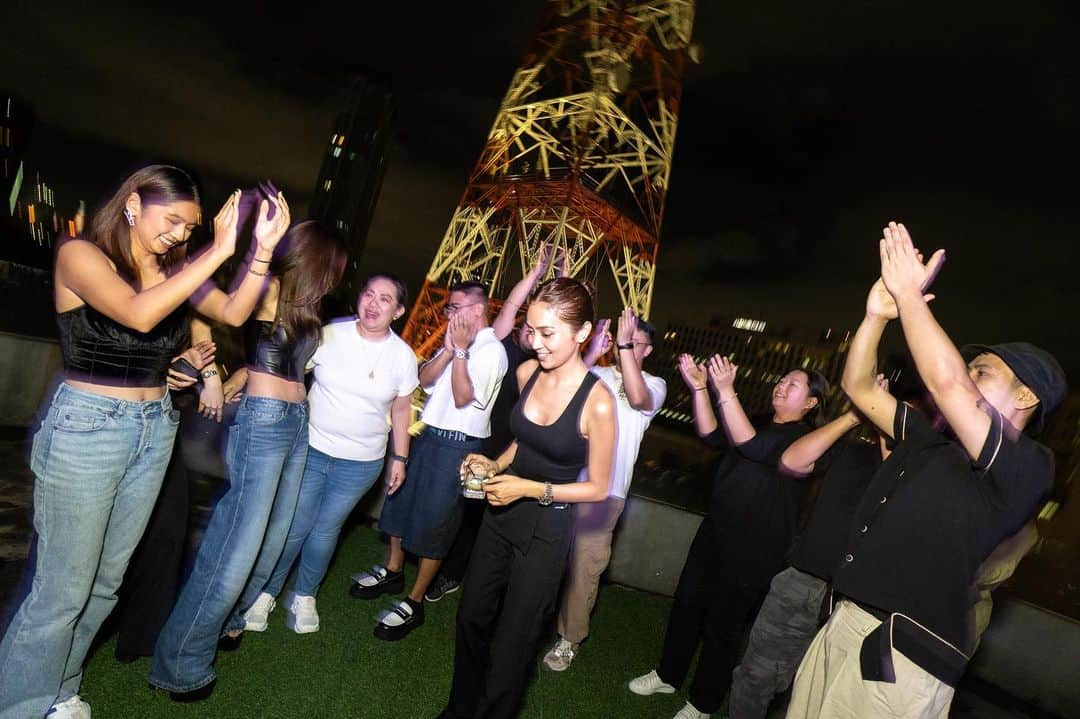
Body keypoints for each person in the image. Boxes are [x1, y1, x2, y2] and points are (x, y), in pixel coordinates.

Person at [0, 165, 290, 719]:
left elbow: (233, 311)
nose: (182, 234)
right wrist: (221, 246)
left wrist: (260, 251)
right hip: (88, 429)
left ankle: (59, 690)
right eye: (174, 219)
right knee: (61, 592)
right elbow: (137, 315)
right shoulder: (81, 255)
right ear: (133, 204)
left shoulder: (173, 270)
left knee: (106, 585)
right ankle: (18, 706)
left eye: (192, 226)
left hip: (154, 427)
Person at [786, 222, 1064, 719]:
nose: (968, 374)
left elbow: (949, 383)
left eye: (985, 371)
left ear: (1027, 395)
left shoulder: (1028, 466)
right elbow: (860, 387)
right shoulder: (932, 440)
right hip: (849, 618)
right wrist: (876, 316)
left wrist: (911, 296)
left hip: (902, 653)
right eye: (971, 367)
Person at [150, 218, 346, 702]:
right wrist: (212, 373)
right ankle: (180, 663)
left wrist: (241, 368)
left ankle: (231, 617)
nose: (334, 281)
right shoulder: (271, 286)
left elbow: (276, 355)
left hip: (297, 423)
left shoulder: (305, 302)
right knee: (235, 546)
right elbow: (203, 300)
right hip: (262, 422)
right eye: (330, 269)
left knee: (275, 538)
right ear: (312, 259)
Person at [440, 276, 616, 719]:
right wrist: (494, 466)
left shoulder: (599, 403)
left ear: (582, 333)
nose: (535, 343)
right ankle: (462, 709)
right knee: (471, 617)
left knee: (514, 645)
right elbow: (526, 441)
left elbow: (597, 486)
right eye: (531, 330)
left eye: (547, 333)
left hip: (547, 527)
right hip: (501, 515)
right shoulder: (526, 373)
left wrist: (530, 488)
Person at [629, 353, 828, 719]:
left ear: (812, 401)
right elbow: (711, 434)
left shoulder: (807, 439)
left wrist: (726, 391)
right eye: (781, 379)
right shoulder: (758, 421)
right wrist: (702, 389)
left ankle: (703, 703)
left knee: (723, 626)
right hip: (715, 531)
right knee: (687, 605)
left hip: (755, 549)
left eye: (793, 384)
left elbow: (752, 447)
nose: (781, 385)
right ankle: (668, 674)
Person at [238, 273, 418, 634]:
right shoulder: (329, 334)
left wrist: (400, 458)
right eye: (368, 294)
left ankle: (304, 594)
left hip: (362, 462)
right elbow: (291, 375)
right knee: (293, 525)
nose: (372, 303)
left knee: (325, 530)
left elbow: (401, 410)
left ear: (397, 311)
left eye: (385, 299)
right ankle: (266, 593)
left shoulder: (403, 356)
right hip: (311, 449)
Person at [349, 280, 507, 641]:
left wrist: (462, 351)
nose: (449, 313)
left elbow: (466, 397)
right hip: (430, 435)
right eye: (449, 307)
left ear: (478, 310)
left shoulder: (491, 351)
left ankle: (415, 601)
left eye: (456, 307)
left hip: (458, 445)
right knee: (400, 504)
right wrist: (450, 351)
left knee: (436, 523)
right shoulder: (458, 343)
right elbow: (425, 379)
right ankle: (393, 570)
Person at [728, 379, 888, 718]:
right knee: (756, 676)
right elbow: (791, 460)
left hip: (862, 606)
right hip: (803, 582)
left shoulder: (918, 474)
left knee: (820, 696)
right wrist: (853, 416)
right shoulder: (853, 450)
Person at [426, 249, 562, 602]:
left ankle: (461, 575)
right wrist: (535, 273)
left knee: (486, 515)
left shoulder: (547, 367)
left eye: (536, 332)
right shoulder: (505, 347)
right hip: (484, 443)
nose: (528, 334)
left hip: (514, 449)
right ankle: (447, 570)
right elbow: (510, 309)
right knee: (464, 509)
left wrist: (558, 280)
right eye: (526, 329)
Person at [543, 306, 666, 671]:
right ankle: (531, 621)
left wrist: (624, 348)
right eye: (624, 340)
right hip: (566, 481)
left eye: (636, 342)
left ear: (647, 350)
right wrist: (595, 347)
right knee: (547, 559)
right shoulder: (595, 372)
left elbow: (639, 398)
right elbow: (558, 387)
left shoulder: (654, 385)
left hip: (605, 494)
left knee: (585, 569)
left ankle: (569, 639)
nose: (627, 345)